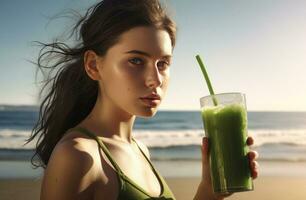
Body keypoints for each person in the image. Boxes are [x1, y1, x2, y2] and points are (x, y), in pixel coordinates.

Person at [26, 0, 259, 199]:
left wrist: (209, 191)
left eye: (163, 63)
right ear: (93, 65)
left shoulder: (140, 149)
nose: (155, 79)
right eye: (136, 61)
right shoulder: (77, 156)